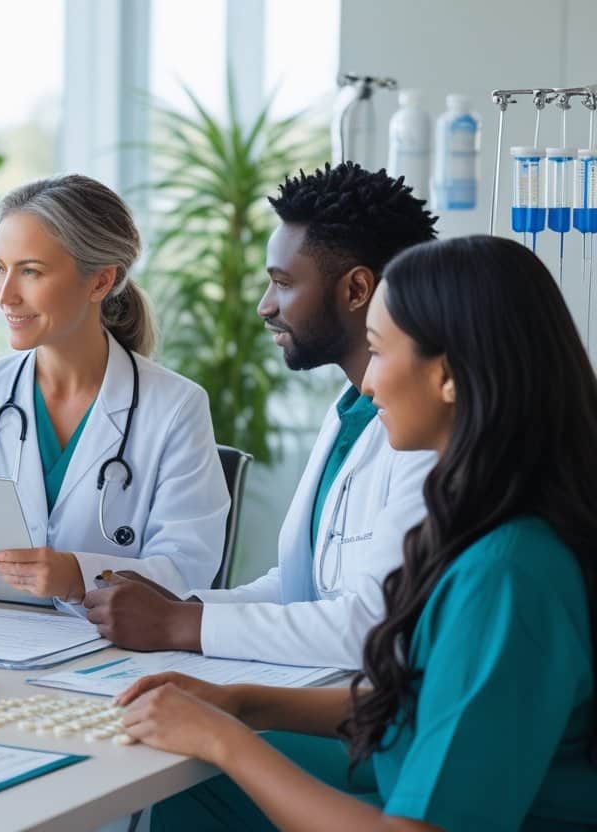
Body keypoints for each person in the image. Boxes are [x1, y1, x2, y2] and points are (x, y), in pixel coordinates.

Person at [116, 235, 597, 831]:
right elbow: (427, 697)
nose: (367, 386)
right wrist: (243, 702)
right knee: (188, 786)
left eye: (378, 353)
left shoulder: (507, 574)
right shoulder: (481, 518)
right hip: (405, 773)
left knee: (210, 771)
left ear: (446, 376)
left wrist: (226, 742)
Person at [84, 163, 438, 669]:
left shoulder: (429, 436)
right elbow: (301, 589)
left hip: (363, 717)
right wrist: (181, 608)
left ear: (357, 290)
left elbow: (372, 626)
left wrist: (179, 624)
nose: (265, 306)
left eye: (284, 283)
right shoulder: (348, 413)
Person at [0, 174, 230, 603]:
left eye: (30, 271)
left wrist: (77, 575)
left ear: (100, 282)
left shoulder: (175, 407)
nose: (5, 295)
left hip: (108, 653)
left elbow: (188, 569)